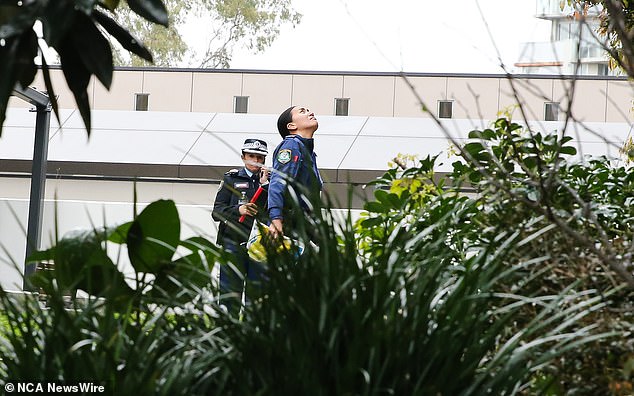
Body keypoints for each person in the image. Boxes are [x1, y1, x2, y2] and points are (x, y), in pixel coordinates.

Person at [212, 138, 269, 314]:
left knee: (257, 298)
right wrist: (239, 209)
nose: (255, 161)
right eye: (251, 156)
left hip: (259, 245)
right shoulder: (232, 179)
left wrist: (265, 186)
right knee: (230, 295)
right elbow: (217, 212)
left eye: (260, 157)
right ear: (243, 157)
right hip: (233, 243)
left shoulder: (271, 182)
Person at [268, 105, 323, 239]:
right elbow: (278, 182)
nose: (310, 112)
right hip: (291, 226)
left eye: (309, 110)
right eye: (302, 111)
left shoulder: (309, 152)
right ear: (291, 126)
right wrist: (276, 219)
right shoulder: (291, 145)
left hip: (305, 225)